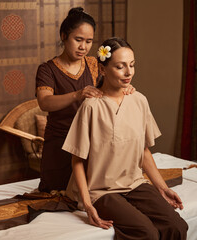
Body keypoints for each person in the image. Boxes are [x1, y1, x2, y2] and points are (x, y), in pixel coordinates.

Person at [62, 37, 188, 239]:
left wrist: (162, 188)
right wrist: (87, 204)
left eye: (132, 65)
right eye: (120, 67)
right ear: (102, 70)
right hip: (102, 191)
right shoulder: (91, 107)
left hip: (135, 184)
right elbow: (77, 160)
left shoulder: (139, 100)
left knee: (177, 226)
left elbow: (143, 151)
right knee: (147, 233)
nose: (129, 72)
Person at [36, 7, 134, 192]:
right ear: (64, 36)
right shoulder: (47, 69)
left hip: (90, 145)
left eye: (89, 41)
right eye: (78, 40)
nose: (83, 47)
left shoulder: (93, 64)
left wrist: (124, 86)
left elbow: (110, 90)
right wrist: (77, 94)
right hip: (60, 145)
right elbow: (45, 102)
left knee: (90, 195)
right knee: (59, 197)